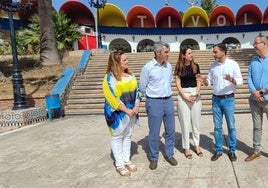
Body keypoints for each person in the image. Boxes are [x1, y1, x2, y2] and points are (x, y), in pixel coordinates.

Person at [201, 43, 243, 162]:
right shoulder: (213, 66)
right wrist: (204, 80)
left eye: (215, 52)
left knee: (231, 126)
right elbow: (209, 81)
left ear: (223, 52)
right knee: (217, 127)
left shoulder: (233, 64)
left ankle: (232, 150)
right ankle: (218, 150)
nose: (213, 54)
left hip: (228, 99)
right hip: (216, 99)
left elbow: (240, 80)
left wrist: (233, 80)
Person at [139, 41, 177, 170]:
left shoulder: (169, 66)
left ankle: (169, 154)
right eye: (166, 52)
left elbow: (169, 81)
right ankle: (154, 157)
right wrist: (153, 96)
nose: (168, 54)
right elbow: (142, 87)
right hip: (154, 102)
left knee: (170, 130)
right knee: (154, 133)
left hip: (169, 101)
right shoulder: (147, 68)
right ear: (157, 52)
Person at [102, 50, 141, 176]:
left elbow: (137, 91)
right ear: (116, 63)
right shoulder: (109, 78)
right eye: (124, 60)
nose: (127, 61)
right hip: (117, 113)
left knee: (128, 135)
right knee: (117, 137)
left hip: (131, 111)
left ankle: (127, 160)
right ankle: (119, 164)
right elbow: (111, 97)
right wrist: (126, 110)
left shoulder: (131, 76)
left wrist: (136, 106)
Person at [174, 47, 203, 159]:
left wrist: (197, 93)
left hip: (195, 93)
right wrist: (185, 97)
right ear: (183, 55)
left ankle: (196, 145)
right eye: (189, 53)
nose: (191, 55)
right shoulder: (179, 67)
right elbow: (178, 84)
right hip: (183, 95)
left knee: (196, 123)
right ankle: (186, 147)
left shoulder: (196, 66)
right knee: (185, 124)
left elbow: (199, 80)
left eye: (192, 53)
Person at [245, 34, 268, 162]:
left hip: (267, 98)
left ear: (264, 44)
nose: (254, 46)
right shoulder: (253, 60)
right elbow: (248, 77)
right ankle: (256, 150)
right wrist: (255, 92)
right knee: (257, 126)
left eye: (256, 43)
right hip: (254, 100)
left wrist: (263, 91)